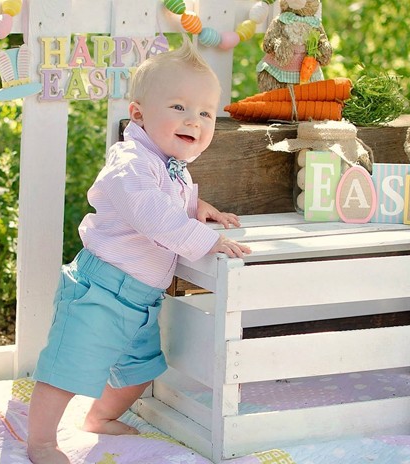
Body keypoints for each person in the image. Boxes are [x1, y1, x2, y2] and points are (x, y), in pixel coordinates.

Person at [27, 38, 252, 464]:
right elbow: (152, 215)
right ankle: (40, 442)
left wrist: (199, 209)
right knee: (67, 369)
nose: (195, 120)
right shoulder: (130, 162)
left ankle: (98, 418)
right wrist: (208, 241)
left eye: (206, 112)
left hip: (142, 298)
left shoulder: (169, 166)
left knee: (139, 372)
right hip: (102, 290)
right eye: (180, 107)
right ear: (138, 114)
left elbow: (170, 203)